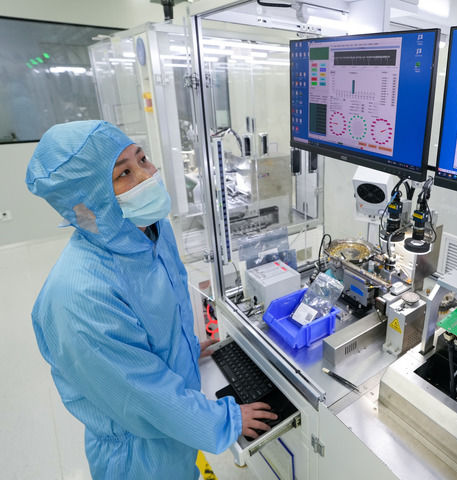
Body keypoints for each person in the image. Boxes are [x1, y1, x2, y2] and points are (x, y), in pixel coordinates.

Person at [26, 120, 277, 479]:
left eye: (142, 159)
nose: (147, 176)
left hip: (173, 435)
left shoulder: (151, 232)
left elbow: (159, 319)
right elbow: (140, 394)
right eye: (123, 174)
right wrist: (226, 420)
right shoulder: (80, 297)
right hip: (138, 458)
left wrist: (184, 350)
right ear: (87, 201)